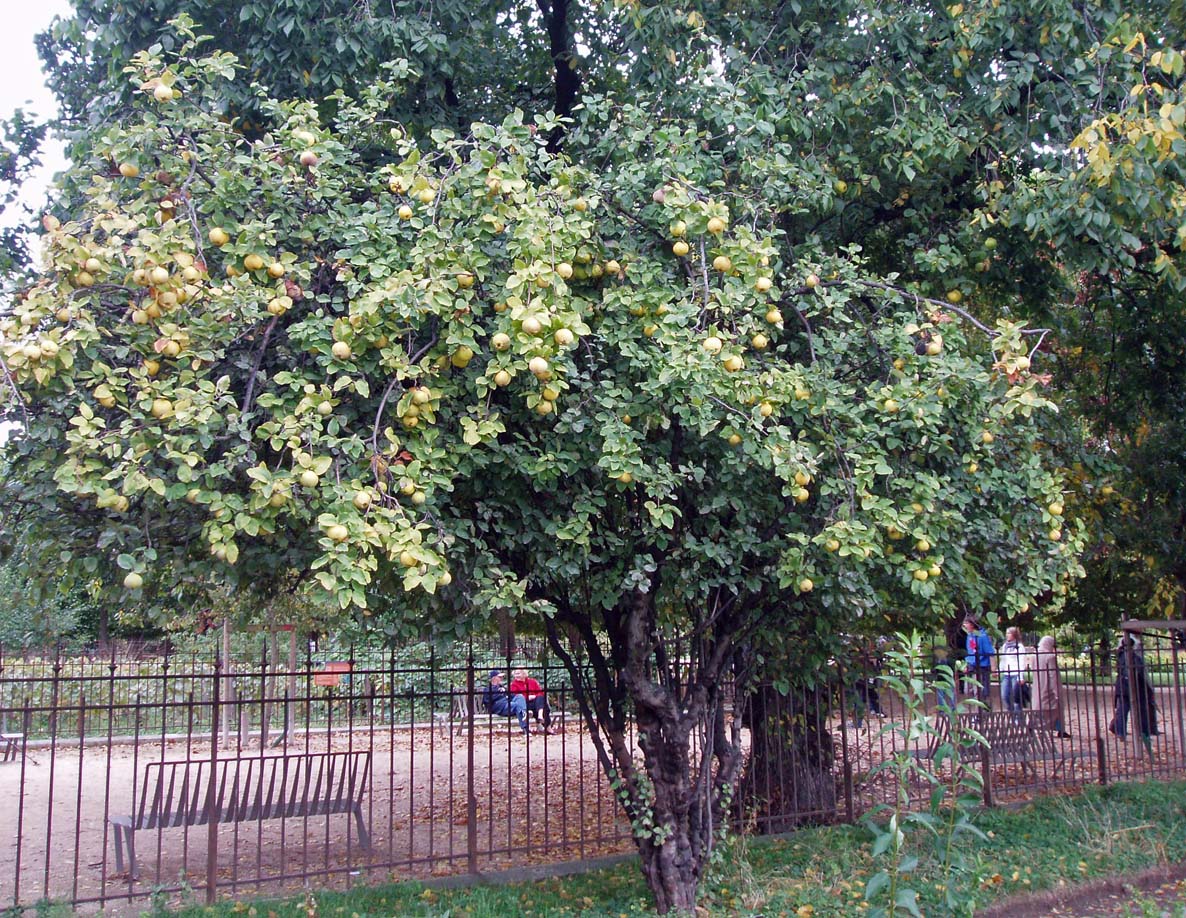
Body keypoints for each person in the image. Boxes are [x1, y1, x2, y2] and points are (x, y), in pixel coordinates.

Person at [1110, 635, 1158, 741]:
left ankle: (1121, 732)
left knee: (1123, 710)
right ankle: (1143, 733)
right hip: (1135, 687)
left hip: (1123, 686)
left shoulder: (1121, 655)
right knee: (1141, 710)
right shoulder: (1134, 656)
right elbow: (1139, 672)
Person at [1032, 635, 1070, 737]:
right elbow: (1053, 675)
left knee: (1038, 708)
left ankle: (1032, 726)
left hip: (1038, 686)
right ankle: (1060, 729)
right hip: (1048, 687)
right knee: (1057, 708)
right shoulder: (1050, 657)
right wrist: (1056, 691)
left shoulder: (1035, 655)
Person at [482, 669, 531, 735]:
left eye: (501, 677)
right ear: (494, 678)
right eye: (499, 677)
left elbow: (511, 696)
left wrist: (506, 693)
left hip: (508, 705)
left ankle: (523, 711)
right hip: (500, 708)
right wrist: (500, 694)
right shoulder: (488, 689)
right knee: (516, 705)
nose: (501, 678)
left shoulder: (502, 687)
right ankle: (525, 728)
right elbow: (487, 701)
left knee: (519, 696)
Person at [509, 668, 555, 733]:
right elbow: (514, 697)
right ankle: (547, 726)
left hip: (536, 703)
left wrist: (534, 696)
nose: (516, 676)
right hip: (524, 704)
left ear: (524, 674)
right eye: (515, 674)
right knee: (543, 705)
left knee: (541, 698)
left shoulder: (532, 682)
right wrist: (526, 697)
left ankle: (540, 715)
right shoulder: (513, 685)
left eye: (518, 673)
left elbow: (540, 692)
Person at [961, 617, 995, 706]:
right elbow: (970, 652)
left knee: (979, 692)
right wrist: (966, 665)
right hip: (971, 666)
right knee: (967, 690)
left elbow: (990, 652)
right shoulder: (969, 636)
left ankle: (980, 713)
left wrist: (994, 668)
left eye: (966, 623)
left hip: (981, 667)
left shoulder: (982, 636)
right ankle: (976, 712)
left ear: (972, 625)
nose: (964, 625)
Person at [998, 626, 1031, 715]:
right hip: (1006, 674)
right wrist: (999, 670)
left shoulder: (1019, 646)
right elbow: (1003, 659)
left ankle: (1018, 717)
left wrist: (1020, 676)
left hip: (1016, 674)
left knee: (1017, 697)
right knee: (1004, 696)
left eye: (1009, 633)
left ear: (1014, 634)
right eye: (1006, 633)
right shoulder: (1005, 646)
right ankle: (1011, 712)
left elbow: (1021, 661)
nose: (1007, 635)